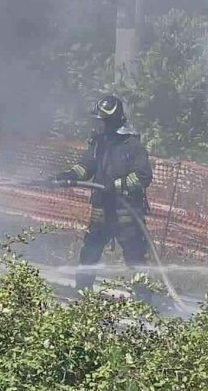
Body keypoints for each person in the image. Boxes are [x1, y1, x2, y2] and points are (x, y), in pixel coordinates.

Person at [53, 95, 153, 302]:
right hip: (101, 211)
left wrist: (114, 185)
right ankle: (82, 292)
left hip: (126, 213)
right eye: (98, 121)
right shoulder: (99, 144)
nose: (100, 125)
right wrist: (69, 175)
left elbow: (143, 176)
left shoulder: (131, 145)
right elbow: (85, 167)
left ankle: (143, 299)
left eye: (103, 121)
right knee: (90, 252)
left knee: (135, 257)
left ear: (114, 121)